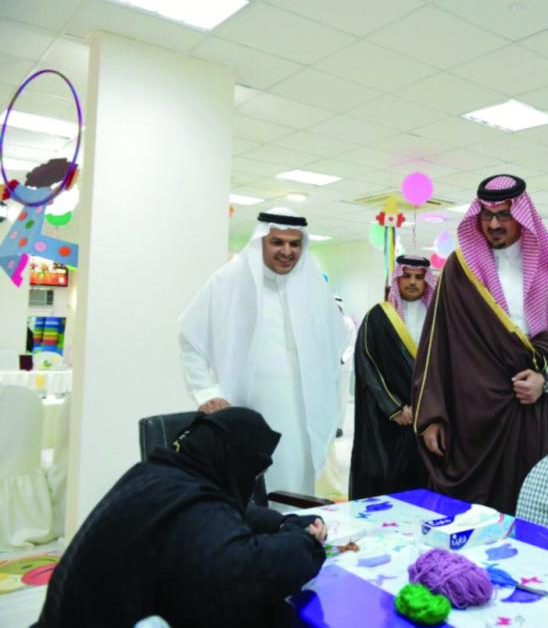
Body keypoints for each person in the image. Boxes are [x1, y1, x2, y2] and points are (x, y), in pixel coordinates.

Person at [35, 409, 327, 628]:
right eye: (252, 475)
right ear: (236, 464)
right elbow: (250, 572)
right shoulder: (197, 507)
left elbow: (235, 511)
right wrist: (304, 540)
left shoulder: (160, 476)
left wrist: (281, 523)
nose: (251, 485)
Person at [413, 174, 548, 514]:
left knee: (529, 504)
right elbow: (436, 344)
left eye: (504, 214)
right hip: (470, 414)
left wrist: (545, 380)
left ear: (522, 215)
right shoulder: (459, 268)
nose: (493, 224)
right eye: (486, 215)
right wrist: (431, 415)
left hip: (531, 407)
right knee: (469, 513)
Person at [178, 207, 349, 495]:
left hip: (303, 412)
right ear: (261, 241)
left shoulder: (313, 286)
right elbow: (190, 336)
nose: (287, 251)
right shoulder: (229, 280)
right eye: (277, 242)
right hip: (249, 405)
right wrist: (206, 392)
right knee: (256, 485)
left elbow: (335, 342)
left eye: (294, 244)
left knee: (299, 485)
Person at [349, 255, 436, 498]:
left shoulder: (438, 317)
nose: (412, 282)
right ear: (397, 279)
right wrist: (394, 407)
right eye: (406, 276)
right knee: (385, 480)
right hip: (385, 419)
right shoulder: (378, 317)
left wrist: (432, 408)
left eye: (419, 277)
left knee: (423, 482)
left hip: (427, 416)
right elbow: (366, 364)